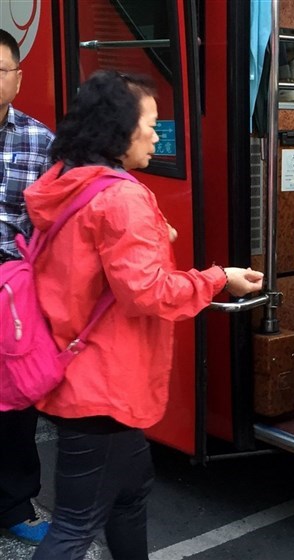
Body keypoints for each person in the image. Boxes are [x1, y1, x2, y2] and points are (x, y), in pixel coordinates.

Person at [24, 70, 263, 560]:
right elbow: (148, 292)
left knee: (130, 496)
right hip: (104, 382)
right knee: (74, 527)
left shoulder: (68, 180)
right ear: (118, 129)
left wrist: (153, 234)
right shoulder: (122, 197)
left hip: (82, 375)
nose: (158, 134)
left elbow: (97, 266)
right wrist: (218, 278)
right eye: (150, 124)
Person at [0, 28, 54, 546]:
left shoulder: (42, 141)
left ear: (18, 78)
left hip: (14, 289)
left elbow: (57, 222)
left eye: (0, 70)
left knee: (17, 404)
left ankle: (16, 503)